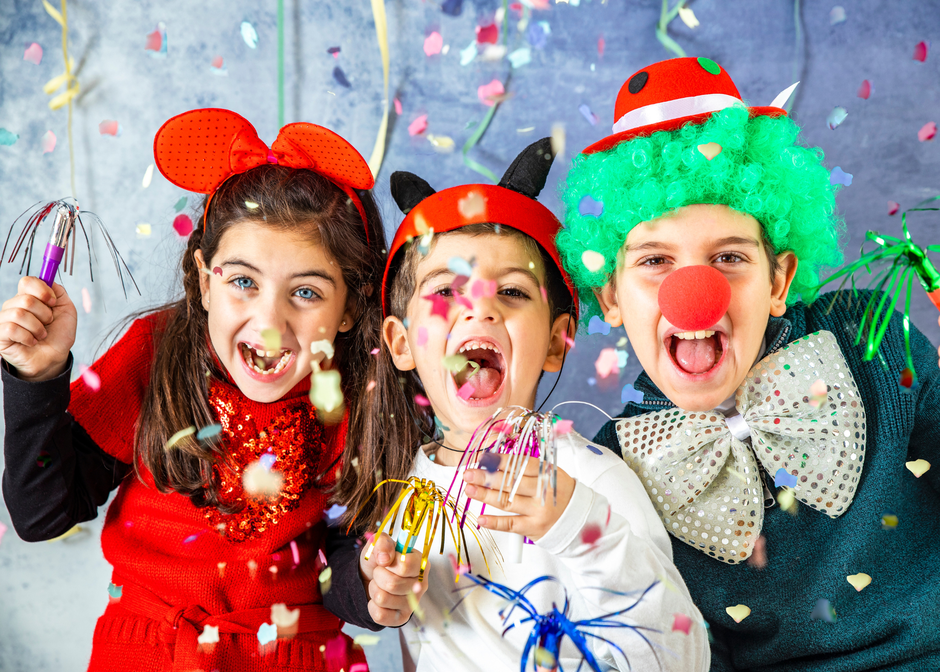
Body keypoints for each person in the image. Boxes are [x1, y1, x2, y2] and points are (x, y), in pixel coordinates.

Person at [0, 108, 424, 671]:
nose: (269, 322)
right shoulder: (157, 353)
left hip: (296, 656)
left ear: (349, 309)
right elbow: (41, 514)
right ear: (204, 280)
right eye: (243, 282)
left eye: (306, 293)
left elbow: (339, 566)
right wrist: (38, 378)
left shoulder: (357, 394)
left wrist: (374, 587)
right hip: (146, 651)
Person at [557, 56, 940, 671]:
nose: (694, 292)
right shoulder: (614, 467)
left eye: (729, 258)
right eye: (655, 261)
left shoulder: (873, 340)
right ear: (610, 297)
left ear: (779, 280)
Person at [370, 137, 709, 671]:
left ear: (556, 342)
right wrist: (387, 598)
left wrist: (580, 525)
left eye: (511, 292)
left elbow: (681, 658)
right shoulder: (403, 493)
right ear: (401, 342)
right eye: (444, 292)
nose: (479, 308)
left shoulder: (589, 477)